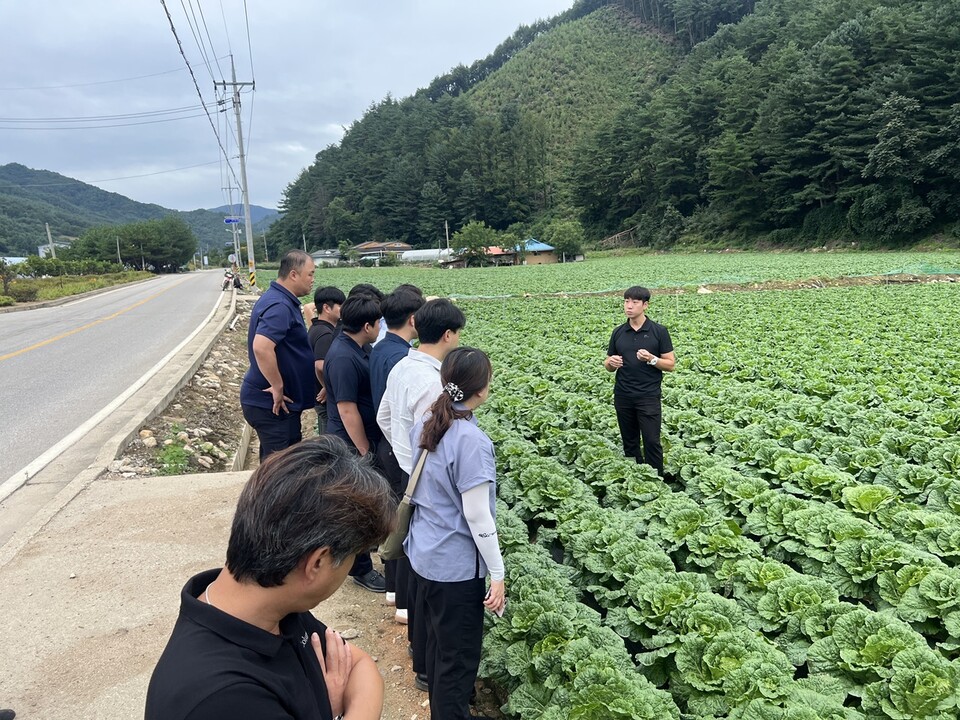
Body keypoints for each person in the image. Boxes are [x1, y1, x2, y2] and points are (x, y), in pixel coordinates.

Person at [145, 436, 396, 720]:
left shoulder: (271, 604)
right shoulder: (224, 700)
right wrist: (330, 709)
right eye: (354, 555)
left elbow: (362, 667)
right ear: (317, 563)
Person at [406, 347, 506, 720]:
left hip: (424, 553)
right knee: (457, 662)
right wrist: (497, 574)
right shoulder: (471, 441)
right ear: (480, 390)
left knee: (437, 647)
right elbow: (478, 517)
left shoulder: (429, 420)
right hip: (456, 569)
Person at [377, 298, 465, 683]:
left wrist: (401, 451)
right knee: (423, 564)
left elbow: (384, 416)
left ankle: (418, 647)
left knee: (413, 556)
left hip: (403, 469)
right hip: (422, 479)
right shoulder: (434, 383)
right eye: (458, 332)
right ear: (448, 334)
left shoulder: (403, 364)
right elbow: (437, 443)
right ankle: (426, 662)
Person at [323, 293, 386, 593]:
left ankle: (363, 554)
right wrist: (364, 451)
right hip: (349, 443)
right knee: (355, 507)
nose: (378, 327)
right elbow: (347, 410)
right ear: (366, 325)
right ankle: (361, 570)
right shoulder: (344, 357)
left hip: (359, 439)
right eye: (377, 323)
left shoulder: (357, 347)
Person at [368, 287, 424, 622]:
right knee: (403, 524)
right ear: (414, 319)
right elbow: (394, 413)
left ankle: (392, 591)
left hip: (388, 445)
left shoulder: (381, 347)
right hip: (399, 451)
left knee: (393, 517)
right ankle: (403, 601)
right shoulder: (401, 358)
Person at [240, 250, 316, 460]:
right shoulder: (279, 305)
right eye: (310, 274)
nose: (313, 280)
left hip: (281, 404)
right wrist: (277, 386)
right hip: (272, 403)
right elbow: (262, 347)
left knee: (283, 463)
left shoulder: (280, 300)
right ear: (293, 274)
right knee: (279, 469)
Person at [604, 285, 676, 476]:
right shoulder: (618, 332)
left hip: (648, 396)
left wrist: (651, 359)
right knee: (629, 441)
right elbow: (608, 364)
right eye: (626, 301)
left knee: (652, 441)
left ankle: (656, 479)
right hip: (623, 395)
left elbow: (670, 364)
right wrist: (611, 363)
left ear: (645, 305)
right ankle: (635, 477)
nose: (629, 306)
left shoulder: (659, 331)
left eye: (634, 302)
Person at [307, 286, 346, 435]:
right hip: (323, 399)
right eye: (340, 306)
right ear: (326, 308)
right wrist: (327, 387)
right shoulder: (326, 334)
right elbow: (321, 366)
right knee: (328, 440)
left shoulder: (315, 327)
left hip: (317, 396)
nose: (343, 309)